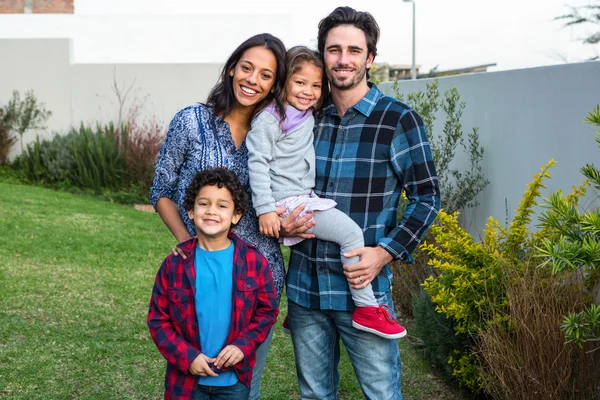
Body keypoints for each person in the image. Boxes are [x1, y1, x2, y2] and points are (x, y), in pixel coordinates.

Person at [283, 7, 441, 400]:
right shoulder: (305, 117)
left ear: (369, 58)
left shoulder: (398, 120)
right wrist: (281, 221)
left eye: (354, 50)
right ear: (323, 56)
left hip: (363, 290)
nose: (343, 59)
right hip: (305, 289)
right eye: (334, 49)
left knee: (382, 395)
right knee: (315, 395)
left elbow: (427, 197)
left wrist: (385, 253)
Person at [149, 33, 288, 400]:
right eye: (247, 68)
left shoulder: (276, 134)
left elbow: (289, 194)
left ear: (275, 85)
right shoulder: (192, 122)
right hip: (199, 275)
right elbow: (161, 190)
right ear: (231, 69)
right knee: (192, 376)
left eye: (266, 75)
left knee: (243, 386)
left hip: (257, 282)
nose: (252, 80)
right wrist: (188, 244)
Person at [246, 45, 406, 339]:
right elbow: (256, 163)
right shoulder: (271, 119)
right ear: (284, 83)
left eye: (316, 85)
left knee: (334, 239)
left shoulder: (305, 114)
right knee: (350, 234)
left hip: (301, 197)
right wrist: (266, 209)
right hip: (287, 201)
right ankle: (367, 308)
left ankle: (298, 316)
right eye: (300, 82)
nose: (308, 91)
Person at [148, 168, 278, 400]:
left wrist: (242, 346)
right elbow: (159, 320)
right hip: (186, 382)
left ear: (236, 215)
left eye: (222, 205)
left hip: (234, 381)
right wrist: (187, 357)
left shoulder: (254, 263)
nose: (211, 211)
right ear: (190, 210)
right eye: (204, 203)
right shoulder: (174, 265)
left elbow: (266, 312)